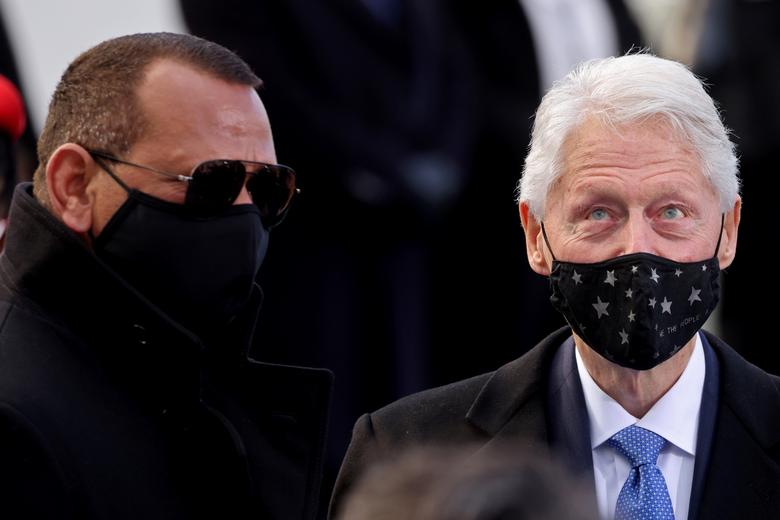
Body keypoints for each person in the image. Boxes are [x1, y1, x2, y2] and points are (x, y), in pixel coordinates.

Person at [331, 53, 780, 520]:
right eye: (598, 213)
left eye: (672, 212)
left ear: (729, 230)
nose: (636, 248)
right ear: (535, 236)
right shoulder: (403, 448)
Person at [0, 32, 331, 519]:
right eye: (212, 182)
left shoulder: (198, 369)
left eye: (267, 188)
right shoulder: (14, 421)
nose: (245, 216)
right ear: (75, 186)